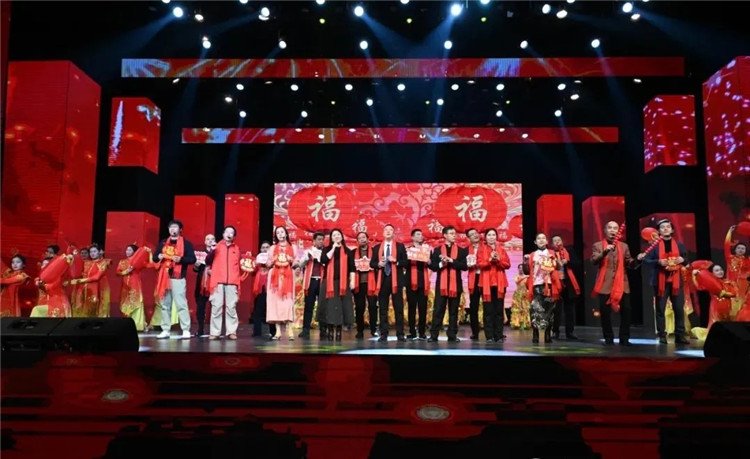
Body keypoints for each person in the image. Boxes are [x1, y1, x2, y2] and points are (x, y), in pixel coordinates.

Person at [638, 218, 690, 345]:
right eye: (662, 227)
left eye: (668, 227)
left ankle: (680, 335)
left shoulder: (679, 245)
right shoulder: (654, 246)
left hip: (676, 281)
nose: (665, 229)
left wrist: (682, 260)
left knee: (679, 309)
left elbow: (686, 261)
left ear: (672, 230)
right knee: (660, 309)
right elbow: (646, 261)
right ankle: (662, 335)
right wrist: (658, 262)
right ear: (659, 231)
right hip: (660, 281)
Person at [591, 221, 638, 346]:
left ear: (618, 231)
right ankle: (608, 337)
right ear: (605, 230)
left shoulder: (624, 246)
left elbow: (630, 263)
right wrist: (605, 251)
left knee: (626, 311)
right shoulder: (598, 245)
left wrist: (638, 260)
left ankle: (624, 338)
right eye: (610, 228)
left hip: (622, 283)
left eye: (615, 228)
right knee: (605, 313)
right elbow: (594, 260)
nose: (612, 230)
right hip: (605, 283)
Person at [155, 220, 197, 340]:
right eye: (171, 227)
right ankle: (165, 330)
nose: (172, 229)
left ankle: (186, 329)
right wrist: (158, 256)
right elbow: (154, 257)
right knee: (165, 305)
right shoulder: (163, 243)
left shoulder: (186, 243)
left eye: (175, 227)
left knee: (181, 304)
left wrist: (181, 259)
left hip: (178, 278)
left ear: (180, 230)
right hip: (164, 277)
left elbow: (192, 259)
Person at [205, 226, 246, 340]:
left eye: (231, 232)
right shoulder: (217, 246)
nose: (229, 234)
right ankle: (215, 332)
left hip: (232, 281)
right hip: (217, 281)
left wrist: (247, 261)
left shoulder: (236, 248)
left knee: (231, 307)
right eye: (227, 232)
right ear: (223, 234)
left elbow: (241, 264)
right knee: (216, 307)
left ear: (234, 236)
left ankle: (231, 331)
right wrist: (212, 250)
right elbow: (207, 261)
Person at [428, 225, 468, 342]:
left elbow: (464, 266)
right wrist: (442, 264)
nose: (454, 235)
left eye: (455, 234)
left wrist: (451, 261)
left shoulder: (461, 250)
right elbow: (433, 267)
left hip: (456, 285)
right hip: (441, 285)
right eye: (451, 233)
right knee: (438, 310)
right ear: (445, 235)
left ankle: (452, 335)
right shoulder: (437, 250)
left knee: (453, 311)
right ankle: (434, 335)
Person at [370, 224, 408, 342]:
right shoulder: (377, 248)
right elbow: (372, 263)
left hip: (396, 280)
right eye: (386, 230)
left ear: (394, 233)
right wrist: (378, 264)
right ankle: (383, 334)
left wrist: (395, 261)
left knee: (398, 308)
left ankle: (400, 334)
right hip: (382, 281)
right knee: (383, 309)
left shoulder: (400, 246)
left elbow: (405, 262)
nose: (388, 231)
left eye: (390, 230)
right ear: (383, 233)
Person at [317, 228, 356, 341]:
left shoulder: (348, 251)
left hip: (342, 283)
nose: (336, 236)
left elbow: (352, 268)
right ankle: (329, 329)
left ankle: (339, 330)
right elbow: (324, 260)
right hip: (329, 282)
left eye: (338, 234)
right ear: (331, 238)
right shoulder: (327, 249)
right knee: (329, 306)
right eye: (334, 235)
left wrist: (352, 281)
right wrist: (333, 248)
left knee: (341, 307)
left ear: (342, 237)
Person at [527, 232, 562, 344]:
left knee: (550, 309)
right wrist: (526, 261)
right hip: (537, 284)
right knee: (535, 309)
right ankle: (535, 333)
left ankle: (548, 334)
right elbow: (528, 270)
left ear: (547, 241)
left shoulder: (551, 253)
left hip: (550, 284)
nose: (541, 240)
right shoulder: (533, 254)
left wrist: (557, 261)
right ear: (535, 242)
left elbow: (559, 267)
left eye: (543, 238)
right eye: (539, 238)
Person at [266, 226, 300, 341]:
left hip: (288, 277)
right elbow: (268, 263)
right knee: (275, 303)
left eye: (282, 232)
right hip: (274, 278)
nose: (280, 234)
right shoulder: (272, 248)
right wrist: (273, 260)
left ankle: (290, 329)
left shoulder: (293, 247)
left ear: (286, 234)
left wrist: (292, 260)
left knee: (288, 303)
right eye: (278, 233)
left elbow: (296, 262)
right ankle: (278, 331)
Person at [477, 228, 511, 343]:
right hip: (486, 284)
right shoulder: (481, 250)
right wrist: (489, 260)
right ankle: (489, 336)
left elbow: (507, 264)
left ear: (496, 237)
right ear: (485, 237)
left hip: (500, 283)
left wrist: (499, 260)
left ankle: (499, 335)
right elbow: (480, 264)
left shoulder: (501, 249)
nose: (491, 237)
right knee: (488, 311)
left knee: (499, 311)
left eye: (493, 235)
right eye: (489, 235)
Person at [551, 236, 581, 340]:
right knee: (556, 309)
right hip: (556, 283)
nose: (557, 242)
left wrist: (567, 262)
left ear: (562, 242)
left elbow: (577, 264)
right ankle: (555, 331)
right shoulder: (550, 254)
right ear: (552, 244)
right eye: (555, 241)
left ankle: (570, 332)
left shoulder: (569, 251)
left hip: (568, 283)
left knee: (569, 310)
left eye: (559, 240)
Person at [70, 243, 111, 318]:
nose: (92, 253)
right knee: (82, 307)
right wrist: (75, 256)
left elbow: (96, 277)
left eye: (95, 251)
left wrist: (80, 280)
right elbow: (77, 269)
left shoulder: (104, 262)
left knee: (93, 308)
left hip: (97, 289)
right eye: (91, 252)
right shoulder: (86, 262)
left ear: (99, 252)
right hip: (84, 289)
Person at [299, 232, 325, 339]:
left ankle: (323, 329)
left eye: (322, 239)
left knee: (322, 306)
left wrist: (322, 260)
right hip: (311, 281)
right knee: (309, 305)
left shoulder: (325, 252)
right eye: (319, 239)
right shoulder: (308, 251)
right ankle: (305, 330)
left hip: (322, 281)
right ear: (313, 241)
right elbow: (300, 265)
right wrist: (307, 257)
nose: (321, 241)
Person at [352, 231, 378, 339]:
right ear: (357, 241)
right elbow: (350, 267)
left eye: (364, 237)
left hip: (372, 283)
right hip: (359, 284)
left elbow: (378, 265)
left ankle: (373, 329)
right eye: (360, 238)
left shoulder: (375, 251)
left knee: (372, 306)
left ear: (368, 239)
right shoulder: (353, 253)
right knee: (359, 307)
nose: (362, 239)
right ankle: (360, 330)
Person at [406, 229, 430, 340]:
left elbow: (433, 265)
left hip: (423, 282)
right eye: (418, 234)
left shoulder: (426, 250)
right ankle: (412, 331)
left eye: (421, 234)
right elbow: (404, 264)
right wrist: (409, 257)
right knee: (411, 307)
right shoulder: (408, 250)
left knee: (423, 308)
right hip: (411, 282)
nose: (421, 236)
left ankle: (422, 332)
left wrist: (429, 261)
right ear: (412, 237)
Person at [116, 245, 146, 331]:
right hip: (125, 286)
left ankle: (137, 325)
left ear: (135, 252)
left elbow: (150, 264)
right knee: (124, 303)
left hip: (135, 285)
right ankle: (127, 325)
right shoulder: (122, 262)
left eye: (129, 250)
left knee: (136, 303)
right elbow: (118, 272)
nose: (127, 251)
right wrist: (126, 271)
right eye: (126, 250)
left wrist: (149, 253)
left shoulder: (139, 261)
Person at [193, 233, 216, 337]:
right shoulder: (200, 254)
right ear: (205, 242)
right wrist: (196, 266)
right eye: (208, 239)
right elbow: (195, 270)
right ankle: (200, 329)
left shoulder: (217, 253)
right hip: (201, 283)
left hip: (214, 283)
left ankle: (215, 331)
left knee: (215, 307)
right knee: (200, 307)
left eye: (212, 239)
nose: (210, 241)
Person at [251, 241, 275, 338]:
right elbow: (252, 272)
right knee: (258, 310)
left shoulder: (274, 259)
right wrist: (254, 264)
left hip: (270, 287)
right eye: (263, 247)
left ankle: (273, 332)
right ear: (260, 249)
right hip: (259, 288)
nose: (265, 249)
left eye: (267, 247)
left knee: (271, 310)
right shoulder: (258, 259)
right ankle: (257, 332)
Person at [724, 225, 749, 318]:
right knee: (731, 310)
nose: (741, 250)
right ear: (735, 249)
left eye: (743, 248)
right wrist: (730, 232)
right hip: (732, 287)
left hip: (744, 289)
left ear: (745, 251)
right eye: (739, 248)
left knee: (742, 309)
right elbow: (726, 245)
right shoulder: (730, 258)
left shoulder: (748, 260)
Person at [465, 228, 483, 340]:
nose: (475, 235)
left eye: (476, 233)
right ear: (468, 238)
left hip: (485, 277)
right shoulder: (466, 250)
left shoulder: (486, 247)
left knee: (489, 305)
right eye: (472, 234)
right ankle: (475, 331)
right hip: (474, 278)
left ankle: (492, 331)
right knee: (473, 306)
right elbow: (463, 264)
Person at [510, 262, 531, 329]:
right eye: (519, 268)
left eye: (522, 268)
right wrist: (525, 276)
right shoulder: (517, 276)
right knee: (517, 308)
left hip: (525, 294)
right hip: (518, 294)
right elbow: (517, 281)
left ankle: (525, 323)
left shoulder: (527, 277)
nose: (520, 269)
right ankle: (517, 323)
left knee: (525, 308)